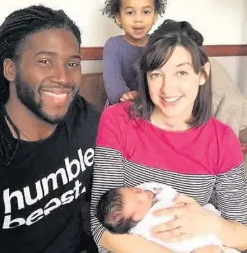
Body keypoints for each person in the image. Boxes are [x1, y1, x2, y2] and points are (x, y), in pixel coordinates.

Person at [0, 5, 100, 253]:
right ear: (10, 69)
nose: (63, 77)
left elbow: (113, 185)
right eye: (45, 62)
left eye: (72, 63)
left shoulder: (84, 117)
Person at [90, 19, 247, 253]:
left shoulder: (222, 140)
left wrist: (212, 223)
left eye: (181, 72)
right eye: (156, 74)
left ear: (202, 74)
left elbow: (242, 232)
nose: (167, 88)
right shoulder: (117, 121)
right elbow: (101, 226)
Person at [97, 182, 239, 253]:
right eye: (139, 203)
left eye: (134, 190)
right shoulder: (140, 229)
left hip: (204, 225)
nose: (141, 193)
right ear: (134, 222)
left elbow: (172, 195)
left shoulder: (150, 191)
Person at [101, 0, 167, 105]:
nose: (138, 19)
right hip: (121, 104)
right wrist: (123, 94)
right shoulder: (113, 45)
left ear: (155, 16)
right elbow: (112, 77)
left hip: (151, 105)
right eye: (130, 12)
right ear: (118, 18)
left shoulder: (159, 44)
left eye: (146, 12)